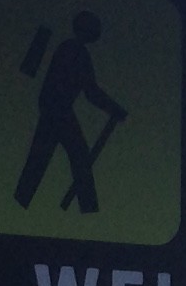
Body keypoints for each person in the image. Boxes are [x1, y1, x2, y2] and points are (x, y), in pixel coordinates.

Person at [16, 12, 128, 211]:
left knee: (43, 157)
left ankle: (22, 200)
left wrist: (114, 109)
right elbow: (90, 91)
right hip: (58, 110)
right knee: (77, 157)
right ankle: (88, 207)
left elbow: (89, 90)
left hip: (54, 108)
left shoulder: (71, 49)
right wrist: (115, 109)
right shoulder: (74, 51)